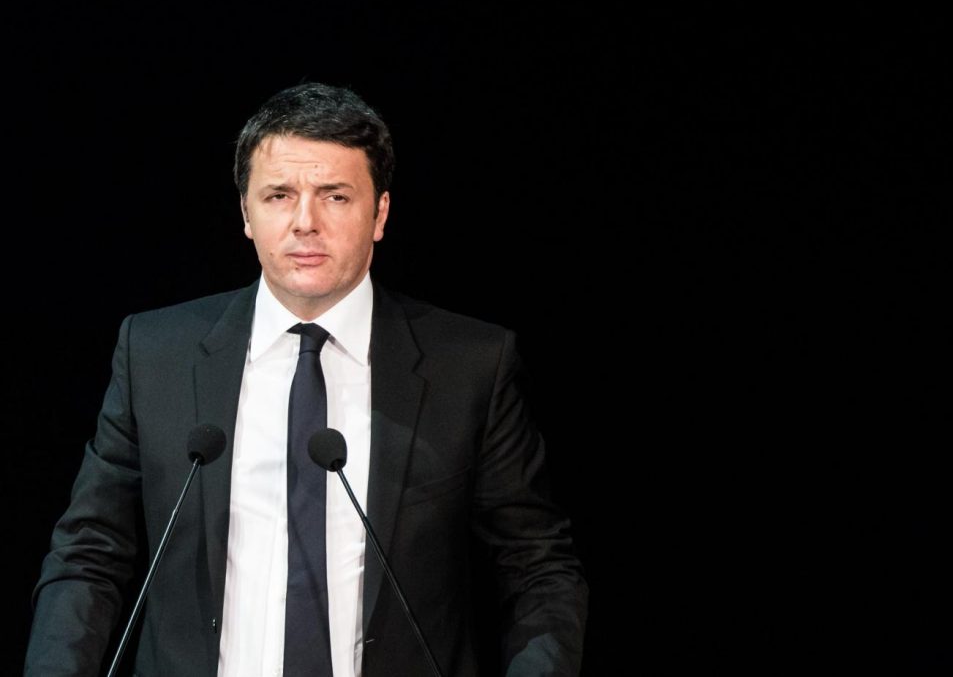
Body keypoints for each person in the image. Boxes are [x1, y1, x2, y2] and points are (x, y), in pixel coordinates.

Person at [25, 82, 588, 677]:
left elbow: (537, 568)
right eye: (278, 195)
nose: (304, 223)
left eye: (335, 196)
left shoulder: (470, 365)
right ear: (246, 213)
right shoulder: (156, 353)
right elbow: (89, 554)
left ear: (380, 214)